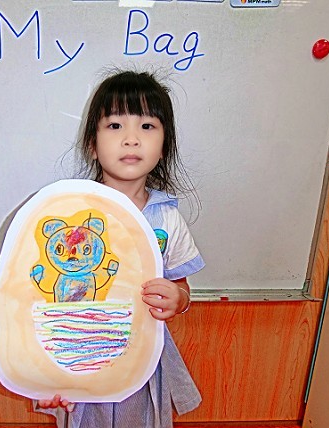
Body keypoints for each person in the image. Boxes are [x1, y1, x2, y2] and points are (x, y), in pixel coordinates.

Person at [35, 69, 205, 427]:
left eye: (147, 126)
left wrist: (178, 299)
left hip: (143, 362)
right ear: (92, 145)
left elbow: (182, 286)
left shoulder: (167, 217)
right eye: (115, 125)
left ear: (164, 146)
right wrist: (46, 373)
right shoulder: (68, 216)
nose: (131, 139)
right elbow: (41, 300)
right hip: (81, 356)